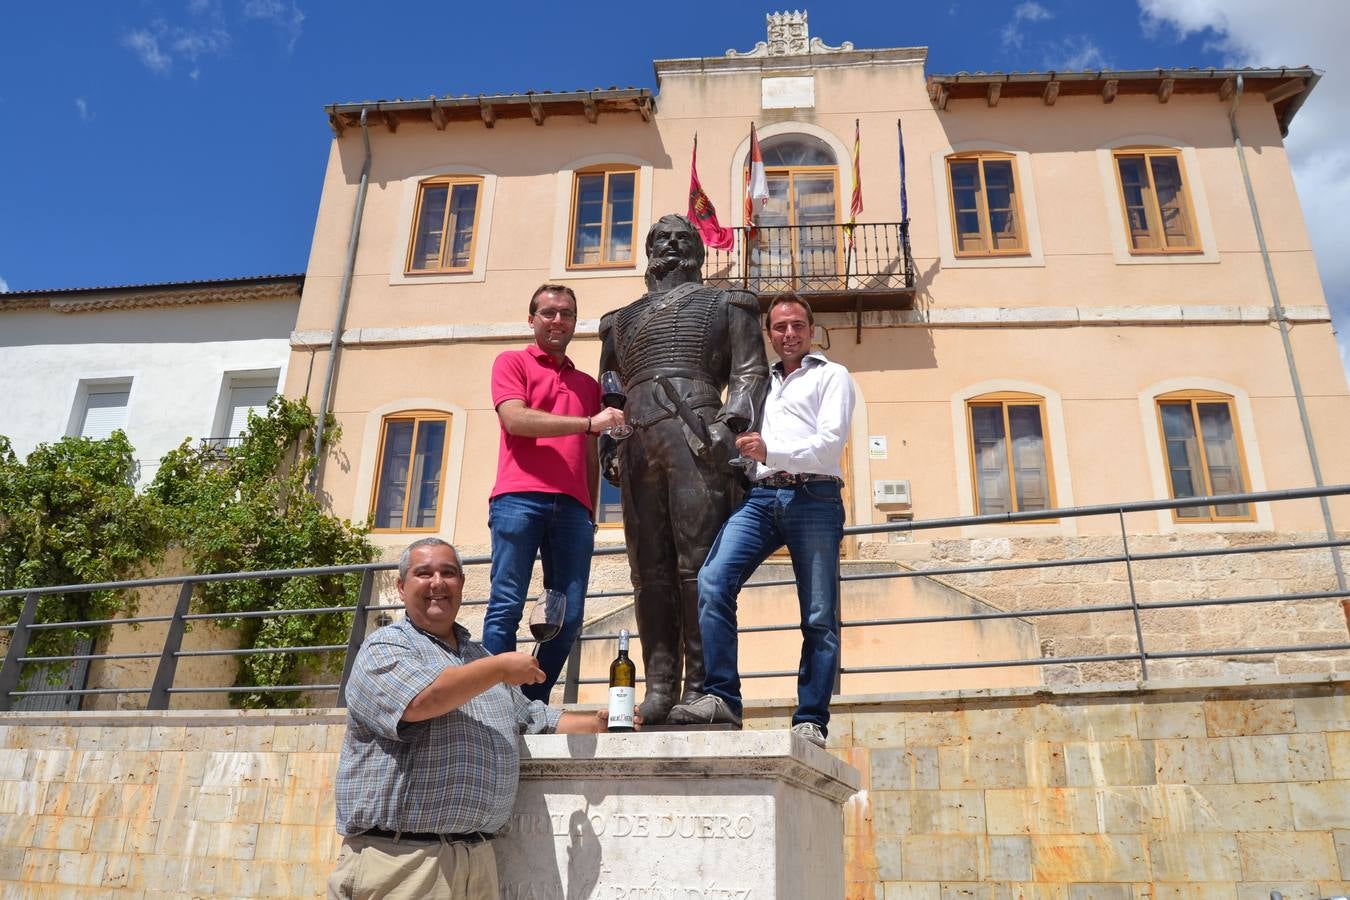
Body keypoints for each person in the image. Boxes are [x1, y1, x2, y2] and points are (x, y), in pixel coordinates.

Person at [330, 537, 610, 900]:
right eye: (423, 573)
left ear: (461, 584)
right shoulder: (385, 647)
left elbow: (536, 717)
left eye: (448, 573)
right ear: (401, 587)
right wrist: (498, 668)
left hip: (476, 863)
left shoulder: (478, 656)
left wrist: (600, 723)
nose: (437, 582)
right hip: (402, 864)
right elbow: (420, 701)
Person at [598, 214, 769, 724]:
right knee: (648, 571)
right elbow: (607, 384)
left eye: (683, 237)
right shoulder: (617, 320)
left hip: (696, 432)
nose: (672, 243)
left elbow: (749, 370)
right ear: (649, 248)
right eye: (662, 237)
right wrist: (608, 444)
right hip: (637, 439)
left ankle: (701, 687)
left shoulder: (729, 302)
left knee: (698, 566)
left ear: (699, 249)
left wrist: (731, 424)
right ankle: (658, 687)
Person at [668, 296, 856, 748]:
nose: (788, 334)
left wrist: (769, 452)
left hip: (815, 494)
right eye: (779, 327)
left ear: (811, 329)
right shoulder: (759, 385)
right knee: (712, 581)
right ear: (769, 334)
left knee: (818, 615)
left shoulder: (833, 376)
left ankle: (811, 717)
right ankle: (723, 697)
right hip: (761, 496)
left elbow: (830, 446)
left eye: (796, 325)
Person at [482, 284, 624, 701]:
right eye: (548, 313)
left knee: (572, 614)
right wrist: (585, 424)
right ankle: (493, 703)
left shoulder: (587, 384)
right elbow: (516, 420)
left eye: (566, 313)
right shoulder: (511, 362)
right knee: (506, 604)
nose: (557, 320)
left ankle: (529, 702)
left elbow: (594, 454)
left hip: (574, 509)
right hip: (518, 497)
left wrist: (591, 508)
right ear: (532, 320)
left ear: (574, 322)